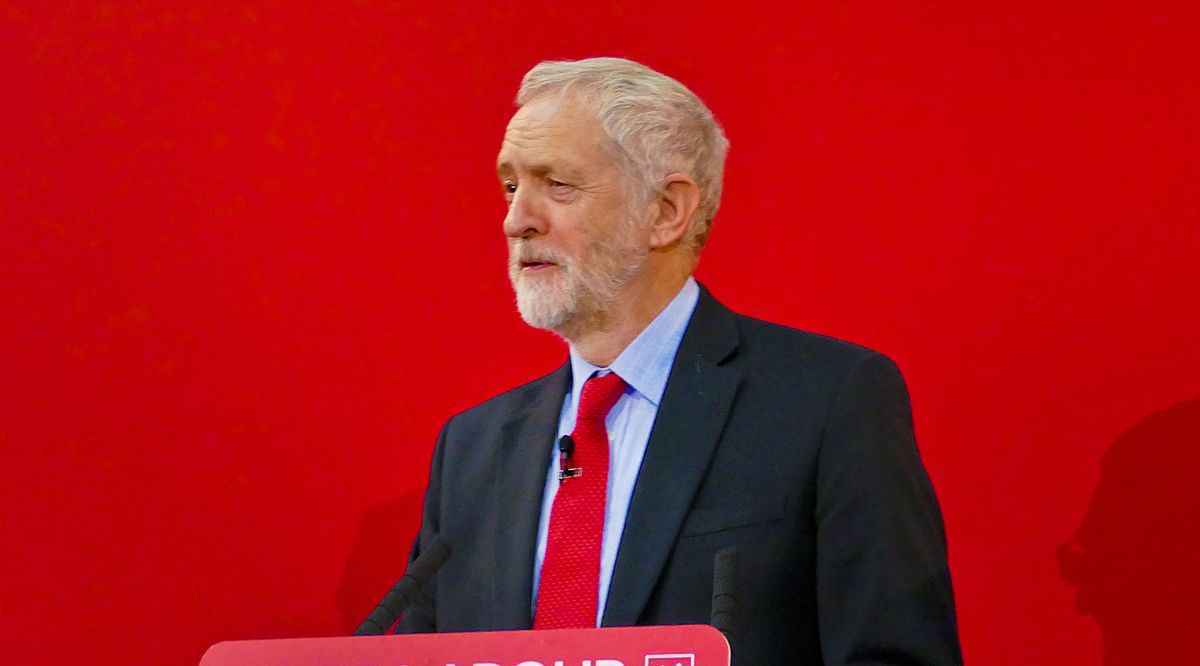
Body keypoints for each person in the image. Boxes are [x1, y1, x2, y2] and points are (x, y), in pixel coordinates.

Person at [397, 57, 962, 666]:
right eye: (511, 186)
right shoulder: (473, 448)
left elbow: (897, 654)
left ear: (667, 212)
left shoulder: (826, 402)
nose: (516, 220)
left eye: (557, 184)